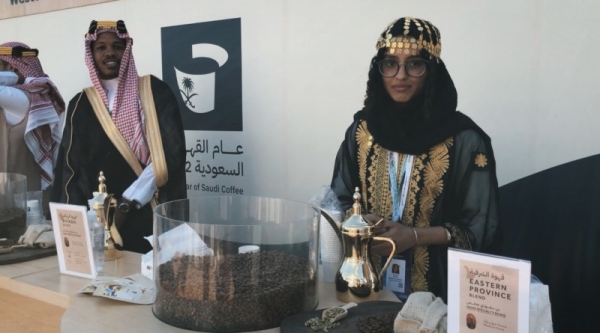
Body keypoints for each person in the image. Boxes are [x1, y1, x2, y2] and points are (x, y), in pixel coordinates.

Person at [330, 17, 499, 300]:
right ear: (378, 69)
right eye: (390, 63)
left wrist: (415, 236)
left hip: (438, 293)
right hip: (367, 286)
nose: (400, 76)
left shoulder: (465, 140)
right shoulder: (362, 132)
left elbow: (480, 228)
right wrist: (361, 222)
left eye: (415, 64)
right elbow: (339, 202)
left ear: (431, 70)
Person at [52, 20, 187, 254]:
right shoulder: (80, 104)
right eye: (101, 48)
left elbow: (169, 155)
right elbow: (70, 168)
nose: (109, 53)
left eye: (117, 46)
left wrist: (127, 204)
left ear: (126, 51)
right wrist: (73, 223)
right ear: (91, 54)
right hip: (97, 220)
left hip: (148, 212)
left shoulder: (155, 92)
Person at [0, 42, 65, 212]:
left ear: (13, 67)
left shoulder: (21, 98)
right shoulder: (40, 94)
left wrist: (16, 78)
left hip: (18, 203)